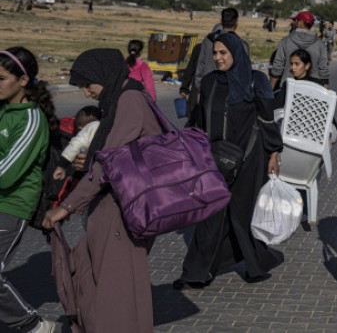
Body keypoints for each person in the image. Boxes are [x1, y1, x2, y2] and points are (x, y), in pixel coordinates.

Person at [42, 48, 164, 332]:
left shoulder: (130, 100)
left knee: (115, 294)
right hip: (112, 208)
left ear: (104, 76)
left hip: (124, 212)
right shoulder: (120, 99)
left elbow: (109, 164)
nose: (86, 93)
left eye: (88, 84)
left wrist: (67, 206)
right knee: (92, 279)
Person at [175, 34, 282, 289]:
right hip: (216, 159)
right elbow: (199, 120)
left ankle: (254, 267)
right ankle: (197, 273)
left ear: (236, 53)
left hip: (249, 158)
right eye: (215, 53)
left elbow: (267, 120)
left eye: (223, 53)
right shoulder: (210, 82)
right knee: (211, 213)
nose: (218, 58)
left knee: (240, 215)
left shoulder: (256, 81)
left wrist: (274, 154)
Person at [0, 47, 60, 333]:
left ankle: (32, 324)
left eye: (0, 78)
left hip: (11, 205)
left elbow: (6, 175)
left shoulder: (30, 119)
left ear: (22, 81)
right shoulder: (4, 109)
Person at [180, 8, 250, 115]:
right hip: (231, 95)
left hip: (208, 91)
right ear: (236, 23)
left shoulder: (208, 41)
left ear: (221, 21)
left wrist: (198, 92)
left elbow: (200, 69)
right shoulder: (242, 45)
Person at [269, 11, 329, 92]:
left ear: (300, 23)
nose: (293, 23)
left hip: (288, 88)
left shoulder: (285, 41)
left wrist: (270, 91)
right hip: (312, 89)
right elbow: (323, 70)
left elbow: (277, 67)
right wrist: (325, 93)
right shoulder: (320, 44)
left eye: (295, 21)